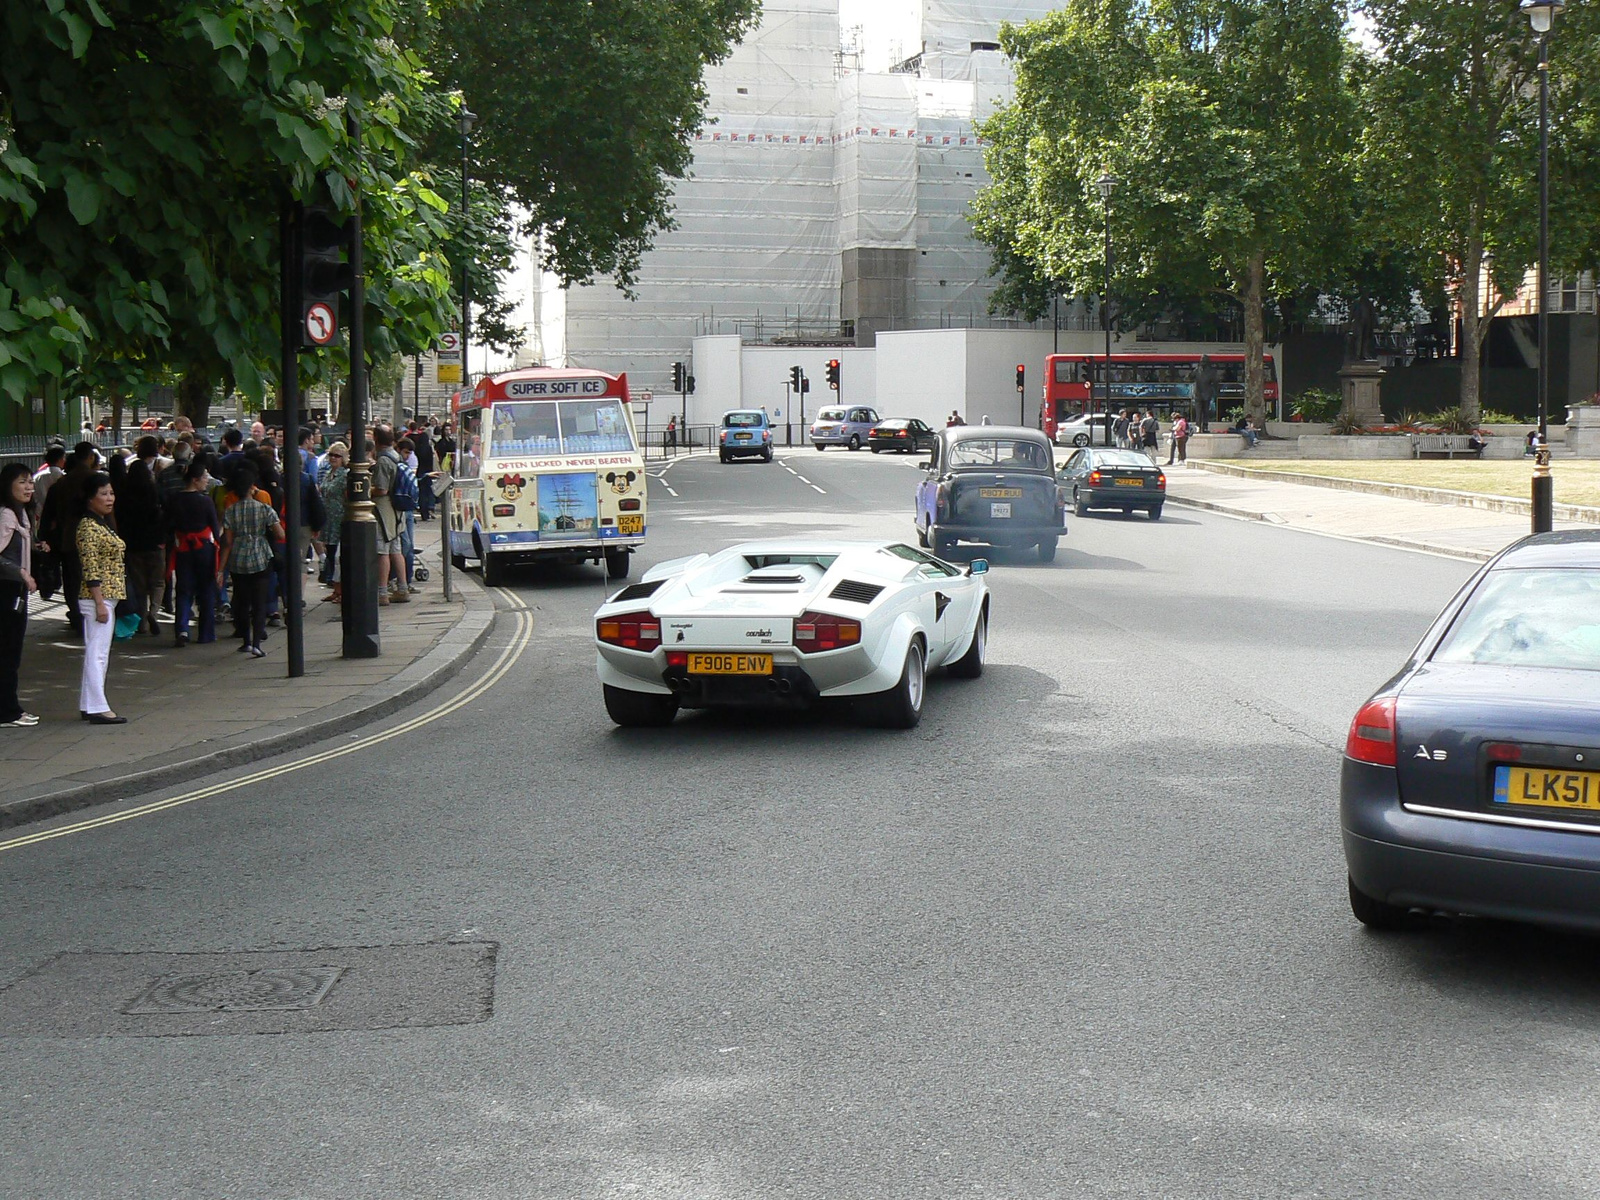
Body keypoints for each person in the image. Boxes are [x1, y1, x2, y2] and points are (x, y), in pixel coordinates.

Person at [75, 472, 127, 724]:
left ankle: (89, 703)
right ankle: (97, 706)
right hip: (98, 597)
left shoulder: (99, 523)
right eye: (103, 494)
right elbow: (90, 566)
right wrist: (98, 602)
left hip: (105, 596)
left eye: (111, 493)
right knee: (98, 653)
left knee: (97, 651)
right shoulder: (88, 526)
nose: (109, 499)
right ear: (89, 498)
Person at [217, 465, 280, 658]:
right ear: (252, 487)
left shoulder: (230, 511)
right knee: (259, 601)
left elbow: (227, 542)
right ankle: (256, 643)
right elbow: (280, 533)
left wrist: (220, 569)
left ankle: (245, 640)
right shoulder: (264, 509)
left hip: (238, 558)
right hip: (261, 555)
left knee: (241, 601)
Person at [37, 441, 99, 635]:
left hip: (68, 537)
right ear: (90, 457)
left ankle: (76, 614)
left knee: (72, 579)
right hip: (95, 536)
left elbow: (48, 513)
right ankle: (94, 613)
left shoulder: (61, 483)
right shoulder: (97, 480)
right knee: (95, 576)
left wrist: (44, 536)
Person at [0, 464, 39, 727]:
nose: (28, 488)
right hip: (7, 590)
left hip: (16, 590)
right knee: (8, 652)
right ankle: (8, 711)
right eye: (22, 482)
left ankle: (9, 708)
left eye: (31, 483)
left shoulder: (21, 514)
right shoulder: (6, 516)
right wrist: (22, 573)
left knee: (11, 651)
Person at [167, 458, 221, 645]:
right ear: (196, 479)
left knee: (183, 589)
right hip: (204, 548)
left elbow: (168, 525)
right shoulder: (205, 501)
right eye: (205, 477)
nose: (207, 480)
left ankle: (182, 629)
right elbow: (215, 527)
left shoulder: (174, 499)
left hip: (182, 547)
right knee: (206, 590)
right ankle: (206, 633)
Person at [117, 436, 166, 636]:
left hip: (133, 544)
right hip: (154, 543)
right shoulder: (154, 492)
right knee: (158, 582)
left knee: (138, 584)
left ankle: (142, 621)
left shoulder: (124, 496)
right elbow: (161, 515)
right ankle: (154, 611)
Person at [369, 424, 409, 605]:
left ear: (376, 439)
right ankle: (403, 588)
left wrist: (366, 490)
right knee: (396, 550)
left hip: (383, 511)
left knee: (382, 552)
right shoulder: (395, 455)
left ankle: (382, 593)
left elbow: (382, 489)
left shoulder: (383, 460)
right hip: (397, 510)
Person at [317, 442, 349, 605]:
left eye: (337, 455)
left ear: (343, 458)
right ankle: (336, 589)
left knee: (337, 557)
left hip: (339, 519)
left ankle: (341, 590)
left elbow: (347, 497)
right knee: (330, 554)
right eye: (331, 455)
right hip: (328, 519)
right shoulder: (329, 472)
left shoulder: (344, 475)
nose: (333, 458)